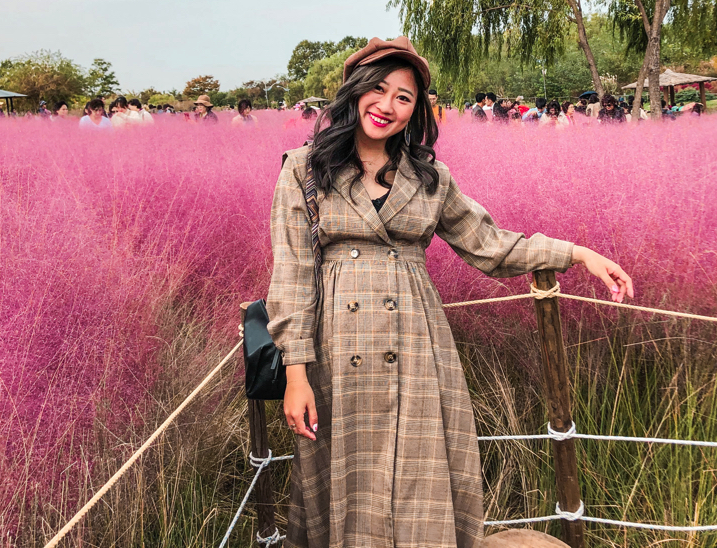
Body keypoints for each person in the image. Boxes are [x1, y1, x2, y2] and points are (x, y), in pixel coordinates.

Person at [267, 36, 633, 548]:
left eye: (404, 97)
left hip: (418, 348)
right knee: (347, 480)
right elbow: (292, 276)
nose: (386, 105)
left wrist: (576, 254)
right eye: (377, 89)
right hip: (336, 353)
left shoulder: (430, 177)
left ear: (417, 110)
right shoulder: (305, 170)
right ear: (353, 92)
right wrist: (296, 375)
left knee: (421, 476)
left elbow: (491, 246)